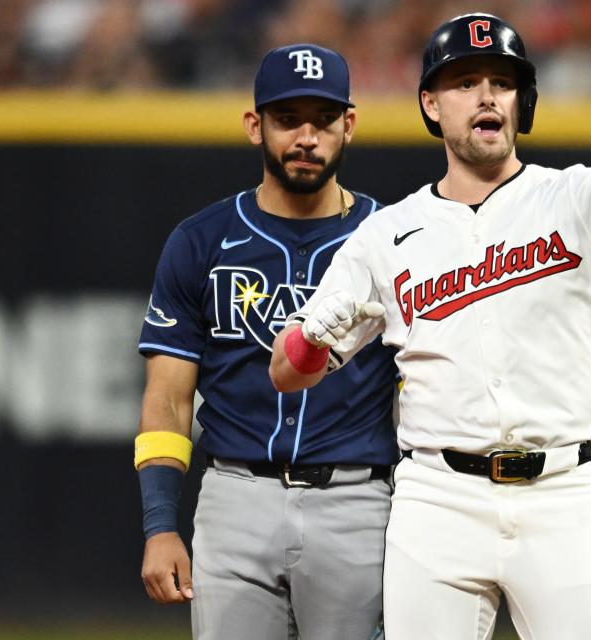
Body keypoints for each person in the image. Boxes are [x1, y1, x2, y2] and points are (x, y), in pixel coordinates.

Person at [269, 14, 591, 640]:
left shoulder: (580, 198)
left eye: (502, 81)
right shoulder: (384, 237)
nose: (486, 95)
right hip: (437, 501)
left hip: (561, 496)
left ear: (523, 103)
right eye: (463, 82)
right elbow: (287, 372)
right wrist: (311, 338)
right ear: (430, 105)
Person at [134, 43, 398, 640]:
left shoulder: (392, 240)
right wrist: (159, 524)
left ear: (348, 126)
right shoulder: (201, 240)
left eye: (324, 120)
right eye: (287, 119)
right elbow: (169, 399)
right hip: (235, 495)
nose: (307, 136)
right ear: (256, 126)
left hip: (356, 500)